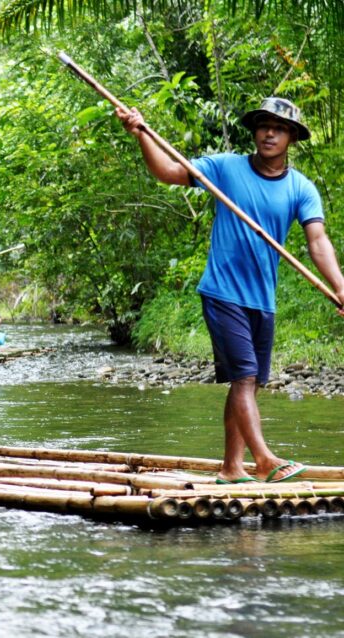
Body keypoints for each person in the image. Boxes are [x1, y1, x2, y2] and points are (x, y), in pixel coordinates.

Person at [117, 97, 344, 484]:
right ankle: (265, 459)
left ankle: (230, 467)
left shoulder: (301, 188)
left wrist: (340, 288)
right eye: (263, 126)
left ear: (291, 137)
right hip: (223, 292)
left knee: (249, 383)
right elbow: (168, 172)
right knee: (244, 378)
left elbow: (318, 242)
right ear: (254, 131)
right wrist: (141, 134)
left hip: (262, 298)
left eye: (279, 128)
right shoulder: (225, 167)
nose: (269, 133)